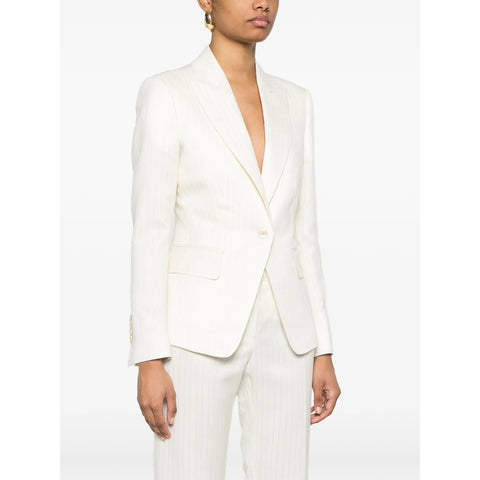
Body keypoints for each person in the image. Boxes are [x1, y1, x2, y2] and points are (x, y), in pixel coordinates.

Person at [127, 1, 341, 478]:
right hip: (195, 335)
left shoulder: (297, 102)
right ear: (205, 0)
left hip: (287, 334)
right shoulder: (168, 93)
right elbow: (150, 232)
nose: (262, 3)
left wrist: (323, 347)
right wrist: (149, 357)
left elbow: (304, 234)